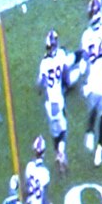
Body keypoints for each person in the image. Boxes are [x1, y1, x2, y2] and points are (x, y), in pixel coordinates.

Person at [82, 0, 102, 166]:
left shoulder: (87, 36)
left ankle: (93, 138)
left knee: (98, 110)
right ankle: (95, 141)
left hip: (94, 79)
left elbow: (86, 57)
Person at [38, 29, 71, 171]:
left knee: (54, 132)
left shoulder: (44, 64)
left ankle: (57, 152)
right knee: (63, 131)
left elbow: (40, 85)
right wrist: (67, 85)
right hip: (58, 101)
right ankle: (60, 153)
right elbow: (65, 76)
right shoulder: (61, 55)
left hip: (49, 103)